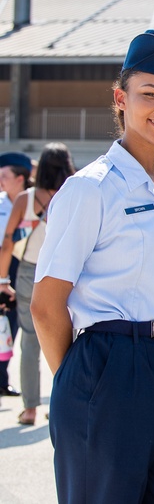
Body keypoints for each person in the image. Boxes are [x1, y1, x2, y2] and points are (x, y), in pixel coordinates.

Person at [31, 30, 154, 502]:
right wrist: (83, 386)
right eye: (151, 94)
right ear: (120, 98)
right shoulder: (90, 189)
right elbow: (46, 306)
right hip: (106, 362)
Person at [0, 142, 75, 426]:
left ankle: (30, 408)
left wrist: (2, 279)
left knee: (31, 339)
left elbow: (8, 242)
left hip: (30, 271)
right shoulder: (75, 193)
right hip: (68, 273)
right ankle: (62, 403)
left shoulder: (27, 198)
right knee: (72, 339)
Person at [0, 151, 32, 398]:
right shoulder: (1, 205)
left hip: (21, 268)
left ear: (20, 178)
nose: (1, 180)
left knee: (10, 326)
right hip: (2, 267)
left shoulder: (32, 203)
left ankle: (2, 379)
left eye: (4, 175)